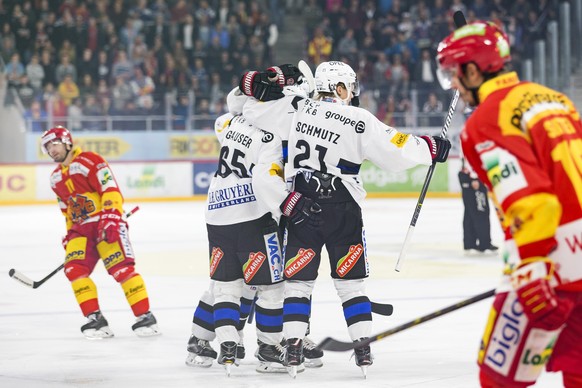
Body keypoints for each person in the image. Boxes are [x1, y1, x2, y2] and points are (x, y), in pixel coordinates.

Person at [238, 60, 451, 377]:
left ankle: (293, 348)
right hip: (344, 210)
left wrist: (262, 85)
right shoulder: (359, 119)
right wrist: (430, 147)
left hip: (302, 206)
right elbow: (396, 150)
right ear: (340, 88)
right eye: (350, 87)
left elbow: (253, 111)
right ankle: (362, 348)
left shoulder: (297, 110)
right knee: (352, 286)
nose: (353, 94)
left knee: (298, 285)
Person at [436, 21, 582, 388]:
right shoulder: (555, 98)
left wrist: (531, 267)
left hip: (549, 260)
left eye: (454, 72)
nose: (453, 83)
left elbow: (533, 201)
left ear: (473, 69)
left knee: (499, 380)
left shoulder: (486, 119)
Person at [40, 126, 160, 339]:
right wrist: (69, 234)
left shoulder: (89, 160)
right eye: (47, 147)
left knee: (121, 270)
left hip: (105, 222)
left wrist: (112, 216)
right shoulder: (55, 179)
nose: (51, 149)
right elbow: (66, 210)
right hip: (80, 230)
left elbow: (110, 188)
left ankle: (145, 317)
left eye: (54, 143)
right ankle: (95, 319)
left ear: (67, 142)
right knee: (74, 269)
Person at [458, 161, 498, 254]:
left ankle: (469, 243)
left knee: (470, 211)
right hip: (473, 177)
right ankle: (484, 243)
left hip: (466, 175)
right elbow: (471, 155)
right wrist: (475, 178)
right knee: (481, 211)